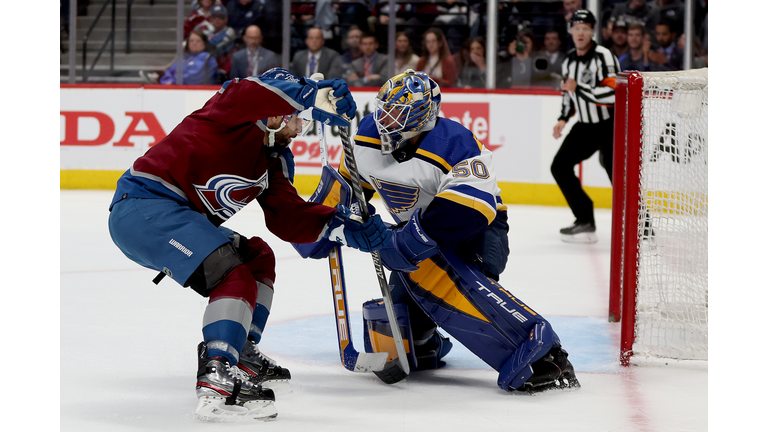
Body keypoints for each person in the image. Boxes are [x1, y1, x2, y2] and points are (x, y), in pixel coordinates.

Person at [107, 68, 391, 421]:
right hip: (143, 208)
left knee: (257, 258)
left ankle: (239, 351)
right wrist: (313, 92)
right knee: (232, 274)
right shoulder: (228, 111)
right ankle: (218, 374)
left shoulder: (274, 156)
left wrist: (343, 228)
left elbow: (286, 217)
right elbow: (249, 90)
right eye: (296, 118)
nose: (300, 127)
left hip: (178, 219)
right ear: (272, 113)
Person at [297, 70, 580, 394]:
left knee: (444, 278)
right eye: (385, 108)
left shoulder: (455, 144)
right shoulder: (366, 136)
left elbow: (464, 213)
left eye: (399, 113)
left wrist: (402, 243)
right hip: (422, 225)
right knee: (405, 332)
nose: (386, 120)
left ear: (423, 117)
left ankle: (544, 355)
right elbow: (349, 187)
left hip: (481, 231)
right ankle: (425, 342)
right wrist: (318, 225)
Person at [551, 10, 620, 243]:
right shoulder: (569, 60)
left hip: (610, 125)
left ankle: (644, 227)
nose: (581, 33)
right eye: (577, 28)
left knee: (618, 175)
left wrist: (578, 87)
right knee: (559, 167)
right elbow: (568, 95)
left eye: (585, 28)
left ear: (593, 31)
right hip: (585, 125)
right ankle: (585, 221)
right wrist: (563, 118)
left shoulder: (604, 56)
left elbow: (613, 93)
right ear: (570, 30)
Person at [195, 4, 238, 76]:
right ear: (210, 19)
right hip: (210, 64)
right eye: (214, 17)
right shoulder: (209, 32)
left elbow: (219, 48)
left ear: (226, 18)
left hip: (223, 65)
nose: (217, 19)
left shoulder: (229, 31)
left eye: (220, 17)